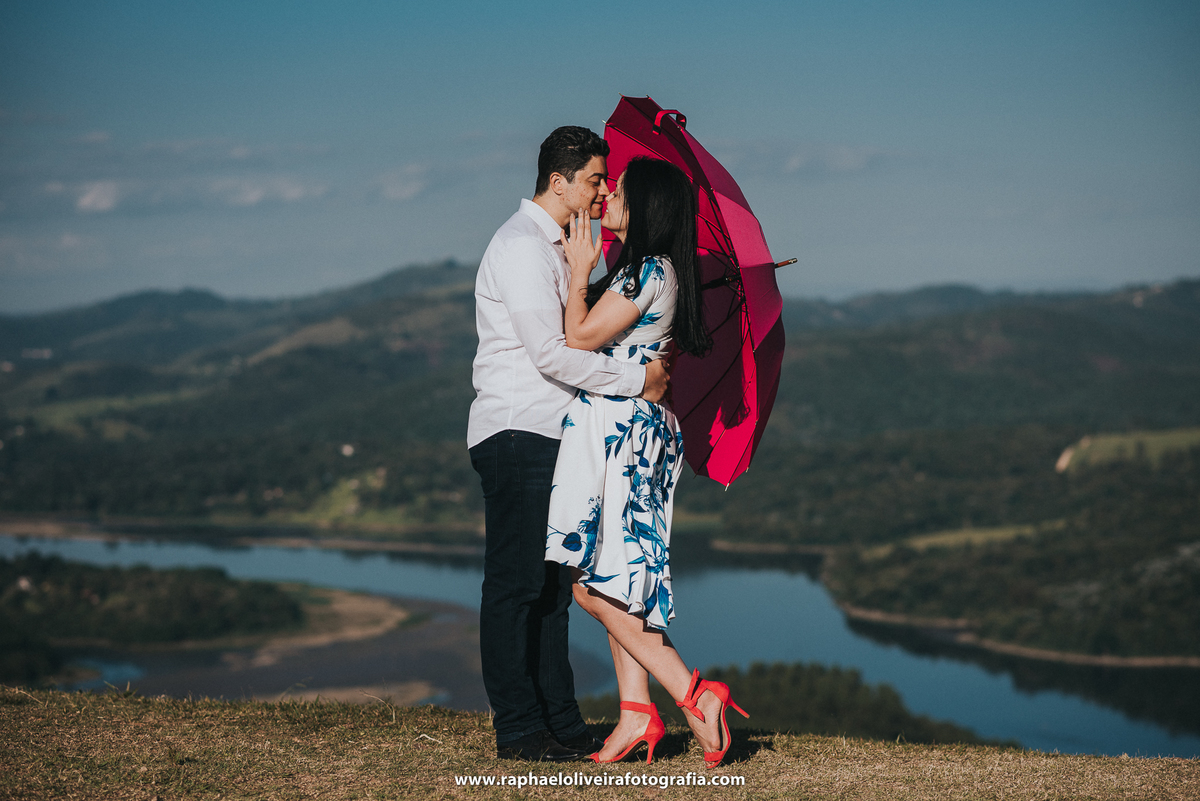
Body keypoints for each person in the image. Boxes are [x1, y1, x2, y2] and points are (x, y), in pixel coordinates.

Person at [467, 127, 671, 762]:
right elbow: (551, 354)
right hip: (519, 428)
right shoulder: (522, 245)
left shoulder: (564, 247)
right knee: (516, 585)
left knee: (554, 587)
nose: (603, 189)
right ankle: (519, 727)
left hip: (557, 434)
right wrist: (638, 380)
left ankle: (559, 720)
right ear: (559, 182)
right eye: (593, 180)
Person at [546, 157, 748, 768]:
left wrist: (580, 274)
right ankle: (636, 714)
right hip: (634, 430)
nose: (606, 196)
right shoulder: (650, 271)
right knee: (620, 583)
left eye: (619, 191)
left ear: (646, 208)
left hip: (622, 435)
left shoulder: (645, 272)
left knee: (589, 587)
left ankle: (693, 694)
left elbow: (577, 338)